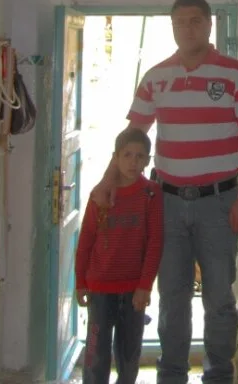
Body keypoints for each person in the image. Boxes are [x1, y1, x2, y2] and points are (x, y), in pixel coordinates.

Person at [93, 0, 238, 384]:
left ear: (208, 25)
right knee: (172, 297)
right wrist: (108, 181)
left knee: (219, 299)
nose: (187, 29)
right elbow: (133, 136)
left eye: (195, 21)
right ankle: (171, 376)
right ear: (171, 27)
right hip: (167, 204)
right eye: (179, 23)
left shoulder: (236, 74)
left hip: (220, 203)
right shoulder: (156, 77)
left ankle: (218, 375)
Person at [76, 127, 164, 384]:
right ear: (115, 158)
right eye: (127, 155)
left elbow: (155, 243)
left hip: (134, 290)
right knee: (96, 354)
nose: (133, 162)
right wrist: (80, 281)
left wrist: (145, 286)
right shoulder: (100, 196)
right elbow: (86, 241)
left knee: (129, 354)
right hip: (100, 288)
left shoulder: (151, 194)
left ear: (147, 160)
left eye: (139, 156)